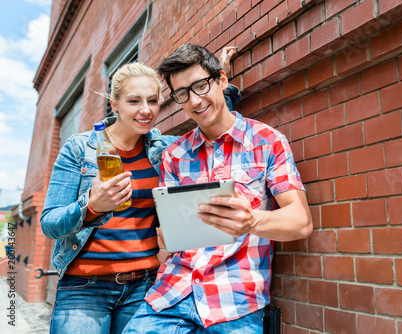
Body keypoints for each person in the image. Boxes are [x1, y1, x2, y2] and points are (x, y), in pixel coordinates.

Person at [40, 48, 239, 334]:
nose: (145, 110)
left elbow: (215, 123)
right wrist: (92, 205)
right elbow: (50, 223)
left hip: (143, 286)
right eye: (134, 101)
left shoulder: (164, 149)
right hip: (84, 288)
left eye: (153, 101)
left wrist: (220, 84)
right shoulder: (79, 148)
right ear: (115, 105)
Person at [123, 43, 313, 333]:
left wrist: (252, 220)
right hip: (173, 293)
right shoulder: (174, 154)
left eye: (200, 86)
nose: (195, 101)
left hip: (234, 300)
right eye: (183, 94)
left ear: (222, 80)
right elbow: (169, 235)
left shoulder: (266, 141)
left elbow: (301, 222)